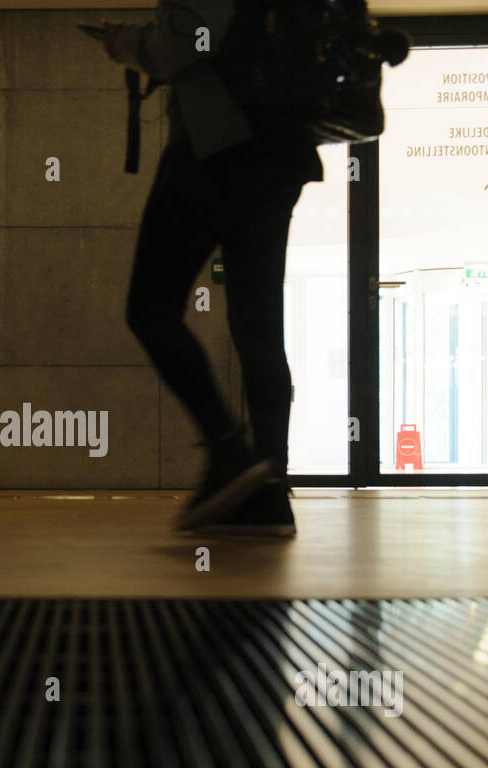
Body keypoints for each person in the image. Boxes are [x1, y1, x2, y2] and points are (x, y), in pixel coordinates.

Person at [101, 1, 322, 536]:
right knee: (259, 330)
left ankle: (230, 455)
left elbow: (186, 40)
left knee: (150, 307)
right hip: (279, 153)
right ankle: (270, 495)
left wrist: (127, 43)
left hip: (214, 149)